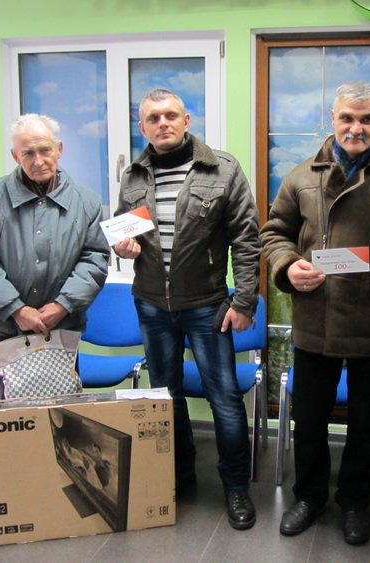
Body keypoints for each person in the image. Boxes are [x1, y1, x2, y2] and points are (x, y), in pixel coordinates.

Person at [261, 81, 370, 545]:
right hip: (315, 317)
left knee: (365, 422)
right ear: (333, 120)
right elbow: (274, 233)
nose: (356, 128)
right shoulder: (302, 176)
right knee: (309, 418)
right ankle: (309, 497)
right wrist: (287, 265)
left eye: (366, 119)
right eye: (347, 118)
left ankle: (356, 502)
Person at [113, 89, 260, 531]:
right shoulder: (133, 176)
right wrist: (123, 246)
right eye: (153, 118)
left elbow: (247, 238)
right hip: (152, 304)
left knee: (225, 398)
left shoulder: (222, 168)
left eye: (171, 115)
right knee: (166, 397)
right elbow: (124, 233)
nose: (163, 123)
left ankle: (236, 486)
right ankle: (179, 475)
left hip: (207, 305)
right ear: (143, 127)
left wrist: (245, 300)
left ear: (186, 120)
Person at [0, 114, 110, 398]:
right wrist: (17, 309)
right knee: (13, 412)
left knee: (64, 407)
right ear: (15, 156)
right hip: (6, 326)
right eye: (28, 153)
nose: (38, 160)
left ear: (59, 149)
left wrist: (63, 305)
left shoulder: (86, 201)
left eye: (45, 150)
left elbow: (95, 259)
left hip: (62, 325)